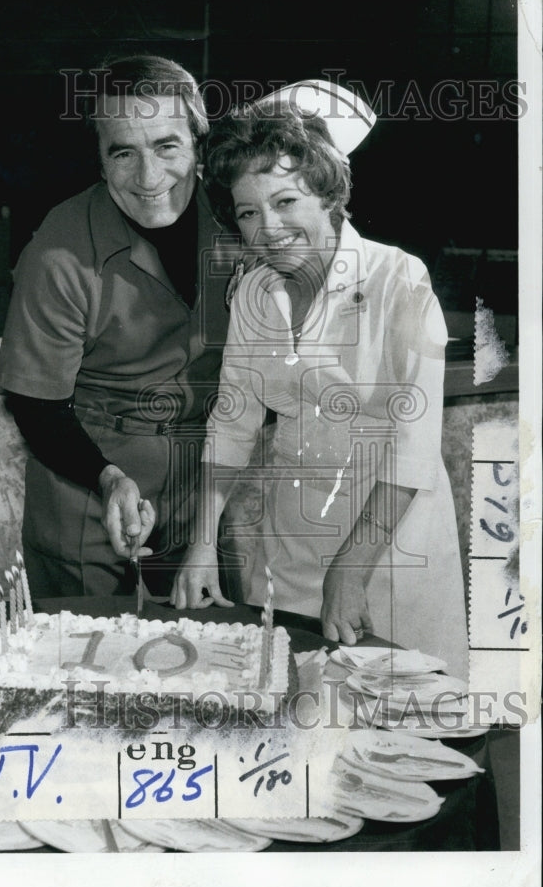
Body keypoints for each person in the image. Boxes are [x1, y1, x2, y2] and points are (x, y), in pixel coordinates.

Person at [171, 81, 469, 680]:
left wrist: (352, 568)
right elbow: (232, 426)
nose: (267, 229)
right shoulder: (253, 290)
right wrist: (202, 543)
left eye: (285, 202)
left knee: (397, 719)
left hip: (387, 546)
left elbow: (412, 447)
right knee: (294, 706)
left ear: (330, 196)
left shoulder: (398, 280)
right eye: (249, 212)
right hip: (295, 539)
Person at [0, 55, 236, 598]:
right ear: (100, 163)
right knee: (83, 668)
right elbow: (35, 402)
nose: (149, 178)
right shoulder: (58, 249)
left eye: (166, 145)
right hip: (88, 494)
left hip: (201, 493)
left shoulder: (237, 221)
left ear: (199, 147)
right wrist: (108, 480)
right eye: (123, 152)